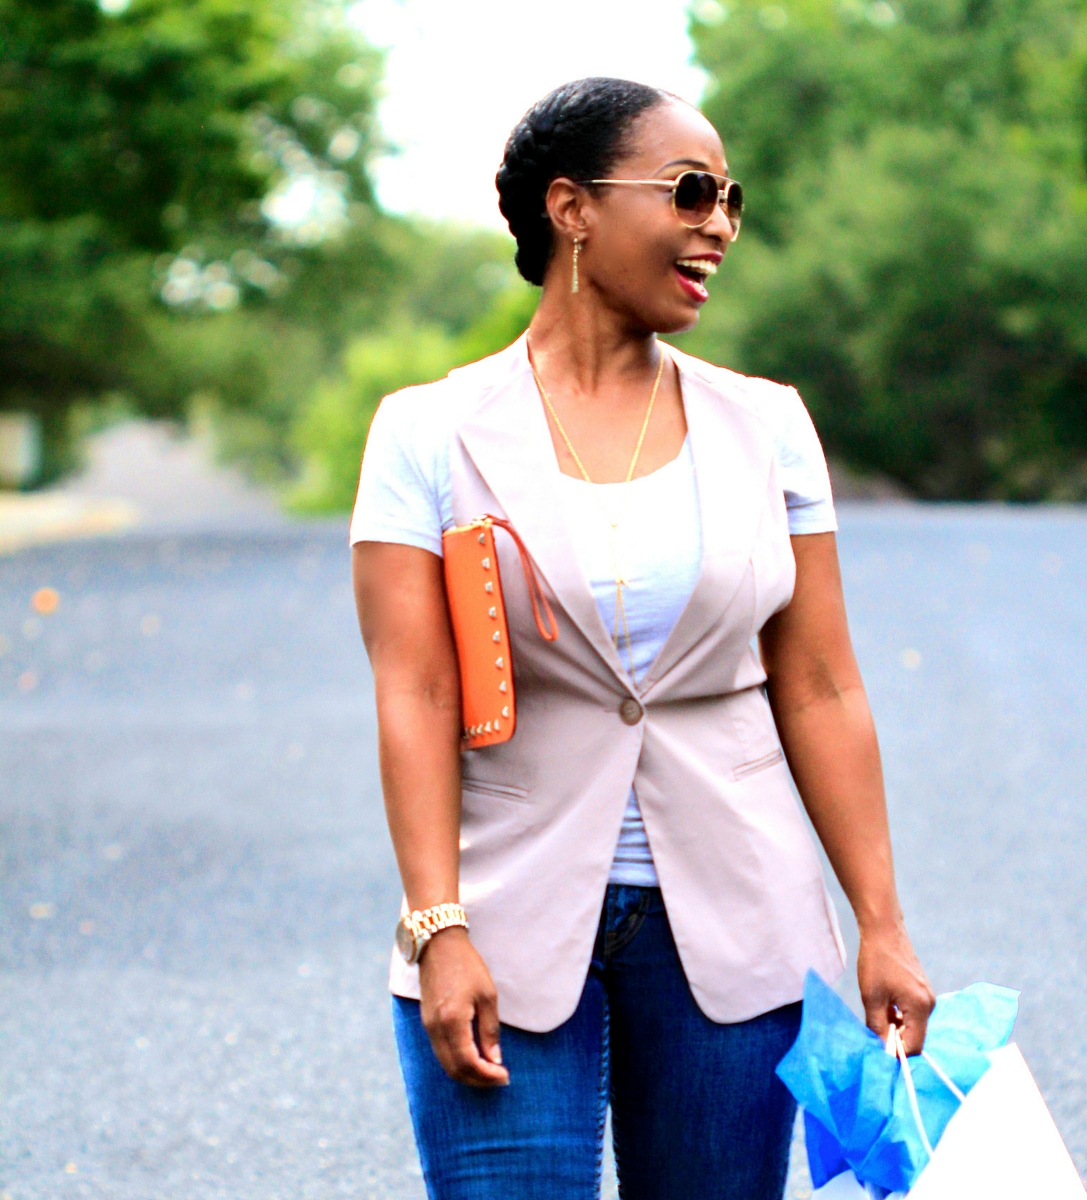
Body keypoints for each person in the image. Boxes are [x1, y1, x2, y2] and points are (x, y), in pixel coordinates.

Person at [350, 77, 934, 1200]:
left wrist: (881, 924)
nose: (718, 222)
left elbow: (816, 684)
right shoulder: (426, 433)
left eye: (731, 199)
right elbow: (414, 693)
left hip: (738, 918)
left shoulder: (768, 425)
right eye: (690, 191)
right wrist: (438, 927)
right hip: (504, 914)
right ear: (571, 208)